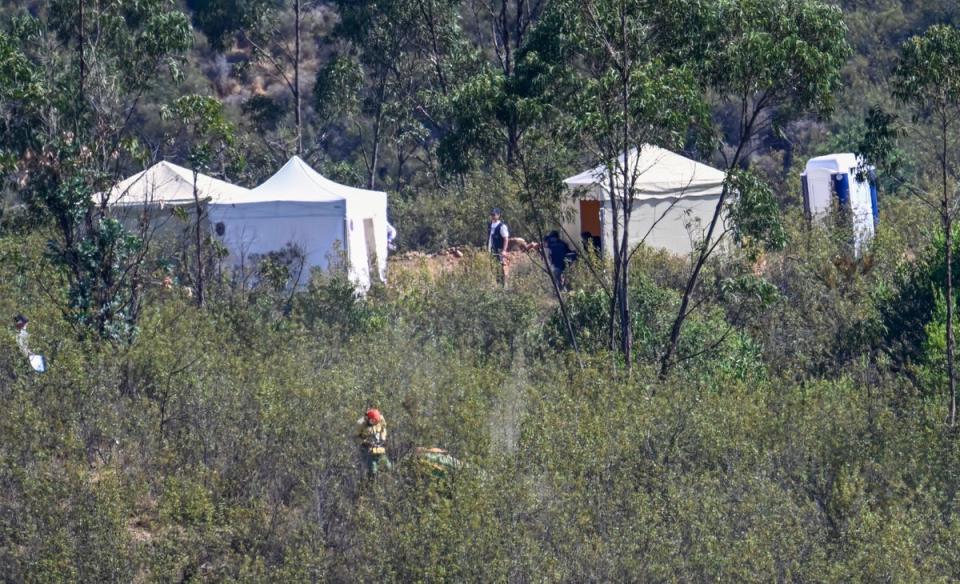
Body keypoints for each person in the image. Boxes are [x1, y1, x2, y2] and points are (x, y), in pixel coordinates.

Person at [356, 408, 392, 476]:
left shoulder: (380, 419)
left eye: (376, 422)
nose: (374, 423)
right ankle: (370, 482)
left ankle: (383, 478)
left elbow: (383, 429)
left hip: (378, 447)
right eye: (373, 421)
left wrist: (383, 439)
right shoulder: (360, 424)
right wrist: (367, 442)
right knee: (373, 470)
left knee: (388, 466)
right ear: (368, 419)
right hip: (366, 449)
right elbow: (356, 437)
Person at [488, 208, 510, 286]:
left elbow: (506, 238)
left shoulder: (502, 226)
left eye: (494, 215)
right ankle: (498, 285)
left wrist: (504, 250)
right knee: (494, 268)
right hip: (492, 250)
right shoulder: (490, 225)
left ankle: (503, 286)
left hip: (499, 250)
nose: (493, 216)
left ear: (498, 215)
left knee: (500, 268)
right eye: (492, 214)